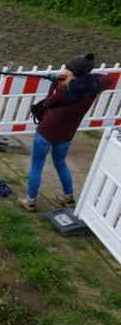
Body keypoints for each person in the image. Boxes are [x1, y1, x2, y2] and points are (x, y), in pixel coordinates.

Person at [18, 53, 114, 211]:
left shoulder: (63, 88)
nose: (65, 70)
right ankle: (68, 197)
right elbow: (107, 78)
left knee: (36, 165)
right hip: (66, 134)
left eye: (68, 69)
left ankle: (30, 199)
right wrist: (86, 76)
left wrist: (55, 83)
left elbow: (49, 102)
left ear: (74, 72)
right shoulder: (95, 86)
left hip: (47, 131)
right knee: (60, 163)